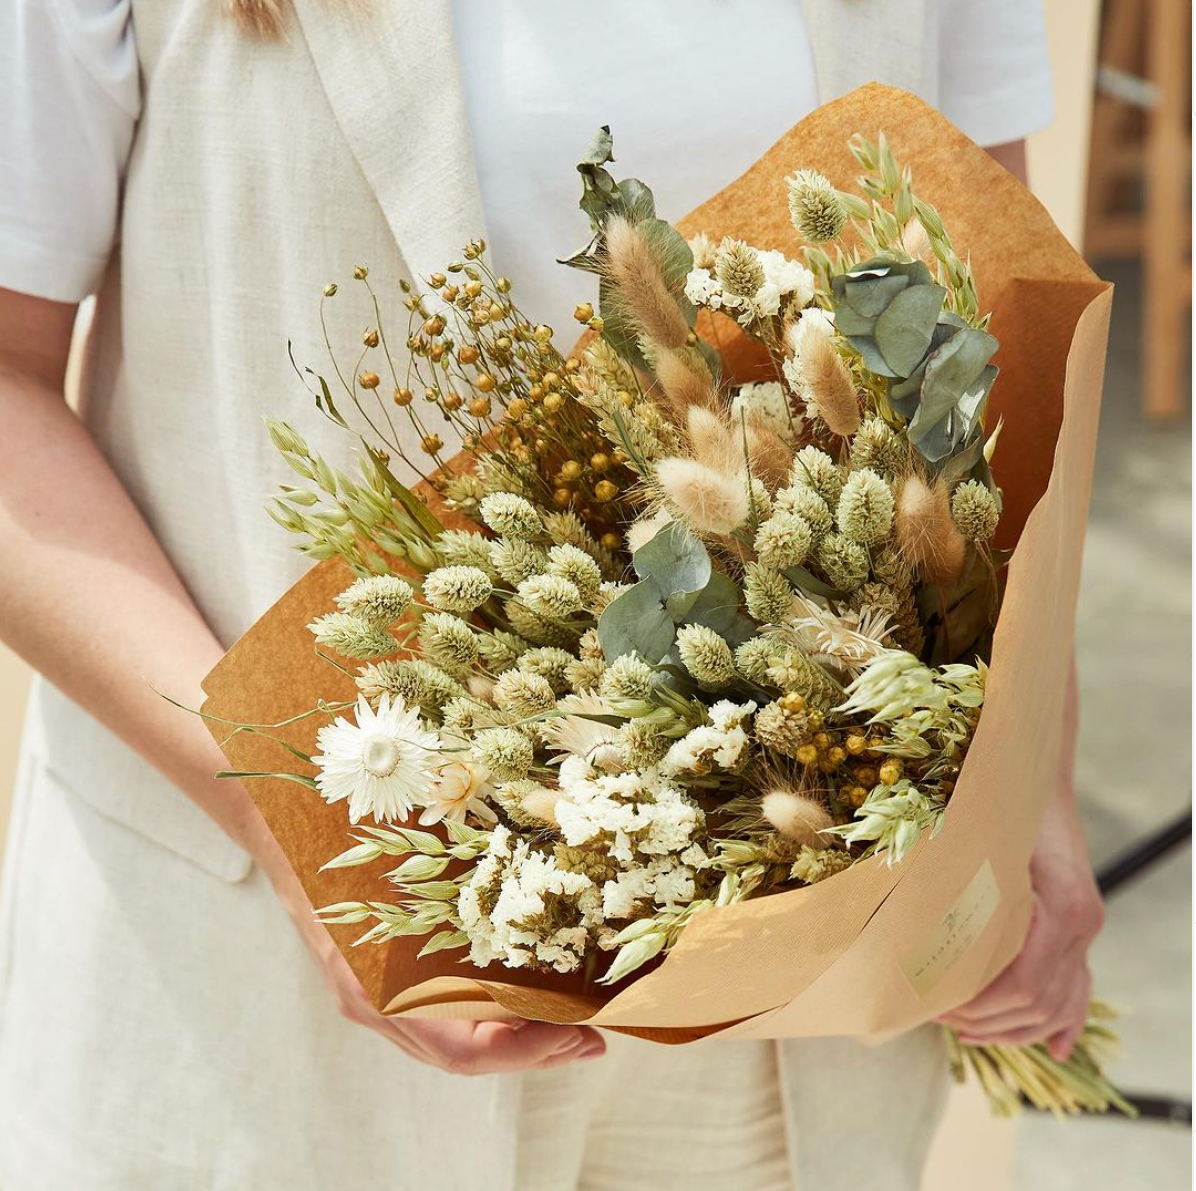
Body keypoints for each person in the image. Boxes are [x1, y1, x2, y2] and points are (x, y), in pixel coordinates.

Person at [0, 2, 1102, 1188]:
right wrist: (295, 827)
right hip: (283, 989)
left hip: (794, 995)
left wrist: (1022, 766)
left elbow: (976, 340)